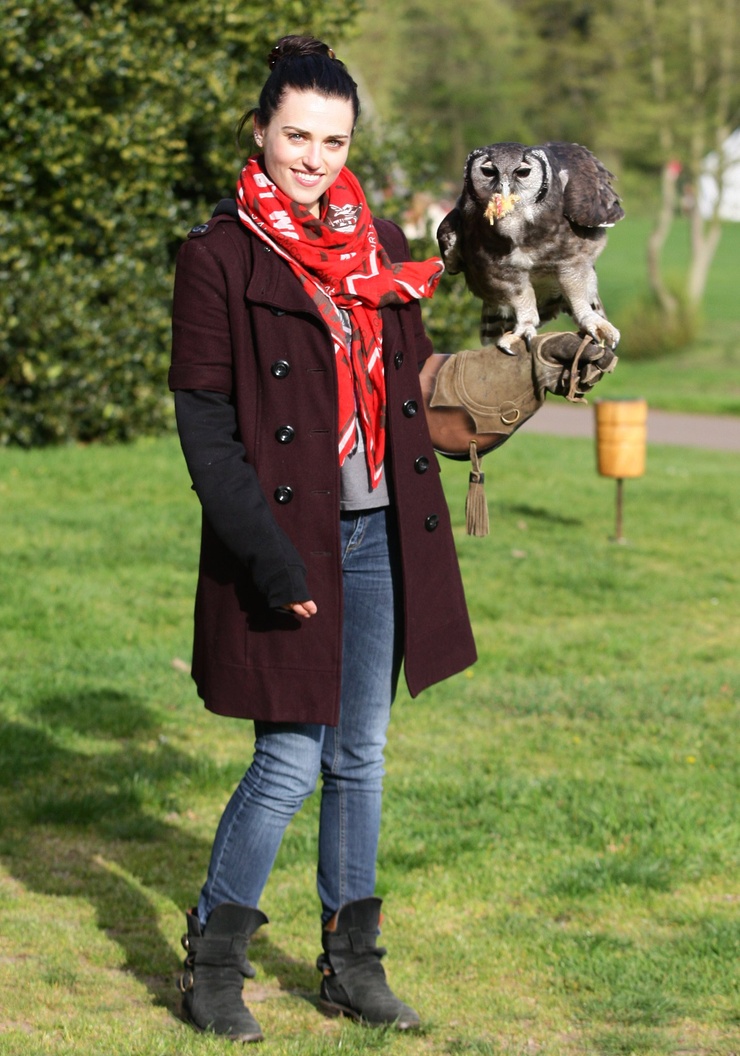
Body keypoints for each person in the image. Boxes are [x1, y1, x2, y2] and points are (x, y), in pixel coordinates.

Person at [169, 34, 478, 1042]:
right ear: (260, 131)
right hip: (285, 540)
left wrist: (502, 386)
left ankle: (352, 965)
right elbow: (206, 429)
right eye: (296, 136)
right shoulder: (218, 255)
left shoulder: (375, 238)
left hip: (379, 531)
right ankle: (214, 965)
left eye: (333, 141)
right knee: (289, 761)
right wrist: (271, 557)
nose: (313, 158)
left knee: (361, 755)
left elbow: (414, 384)